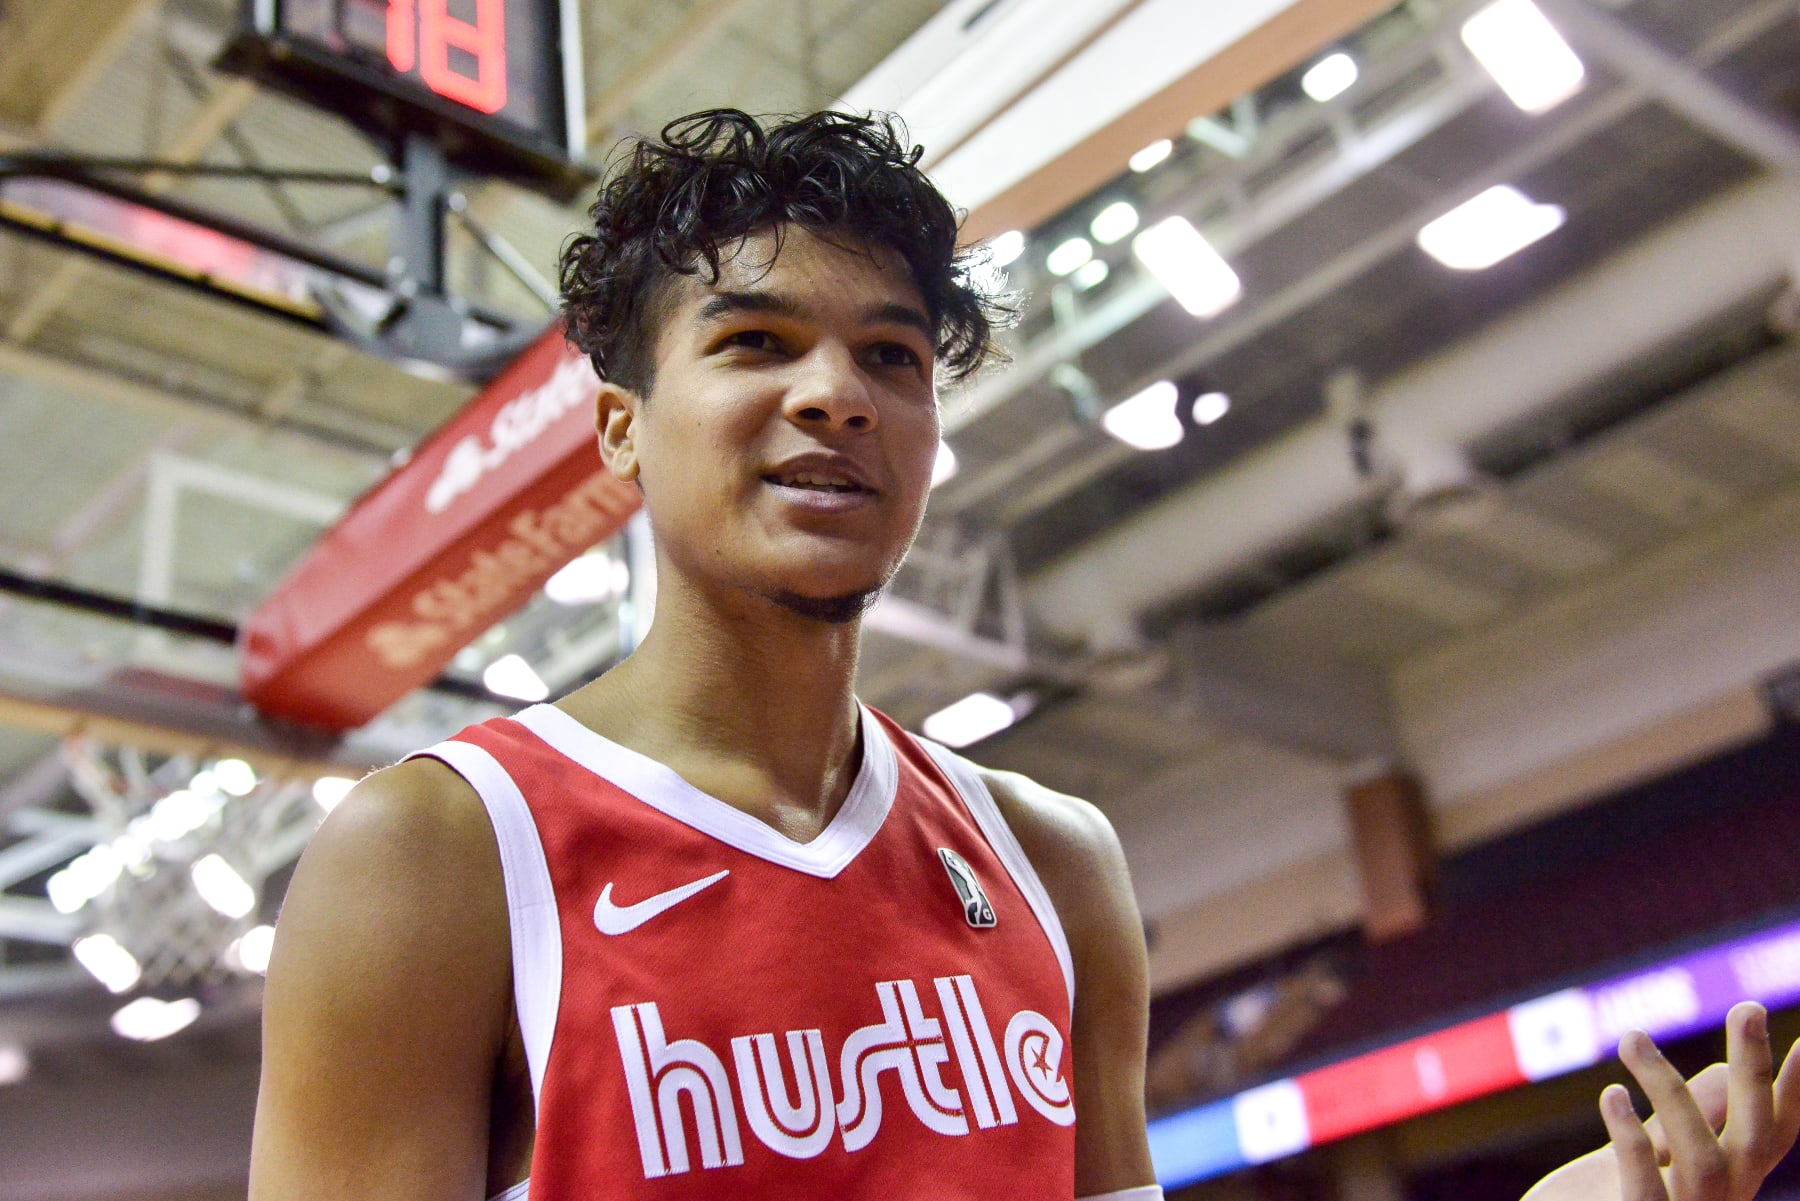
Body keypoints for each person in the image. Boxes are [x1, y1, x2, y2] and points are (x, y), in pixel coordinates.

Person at [246, 110, 1800, 1201]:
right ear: (619, 424)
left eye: (892, 357)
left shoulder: (1057, 862)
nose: (837, 393)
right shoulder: (439, 857)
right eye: (756, 342)